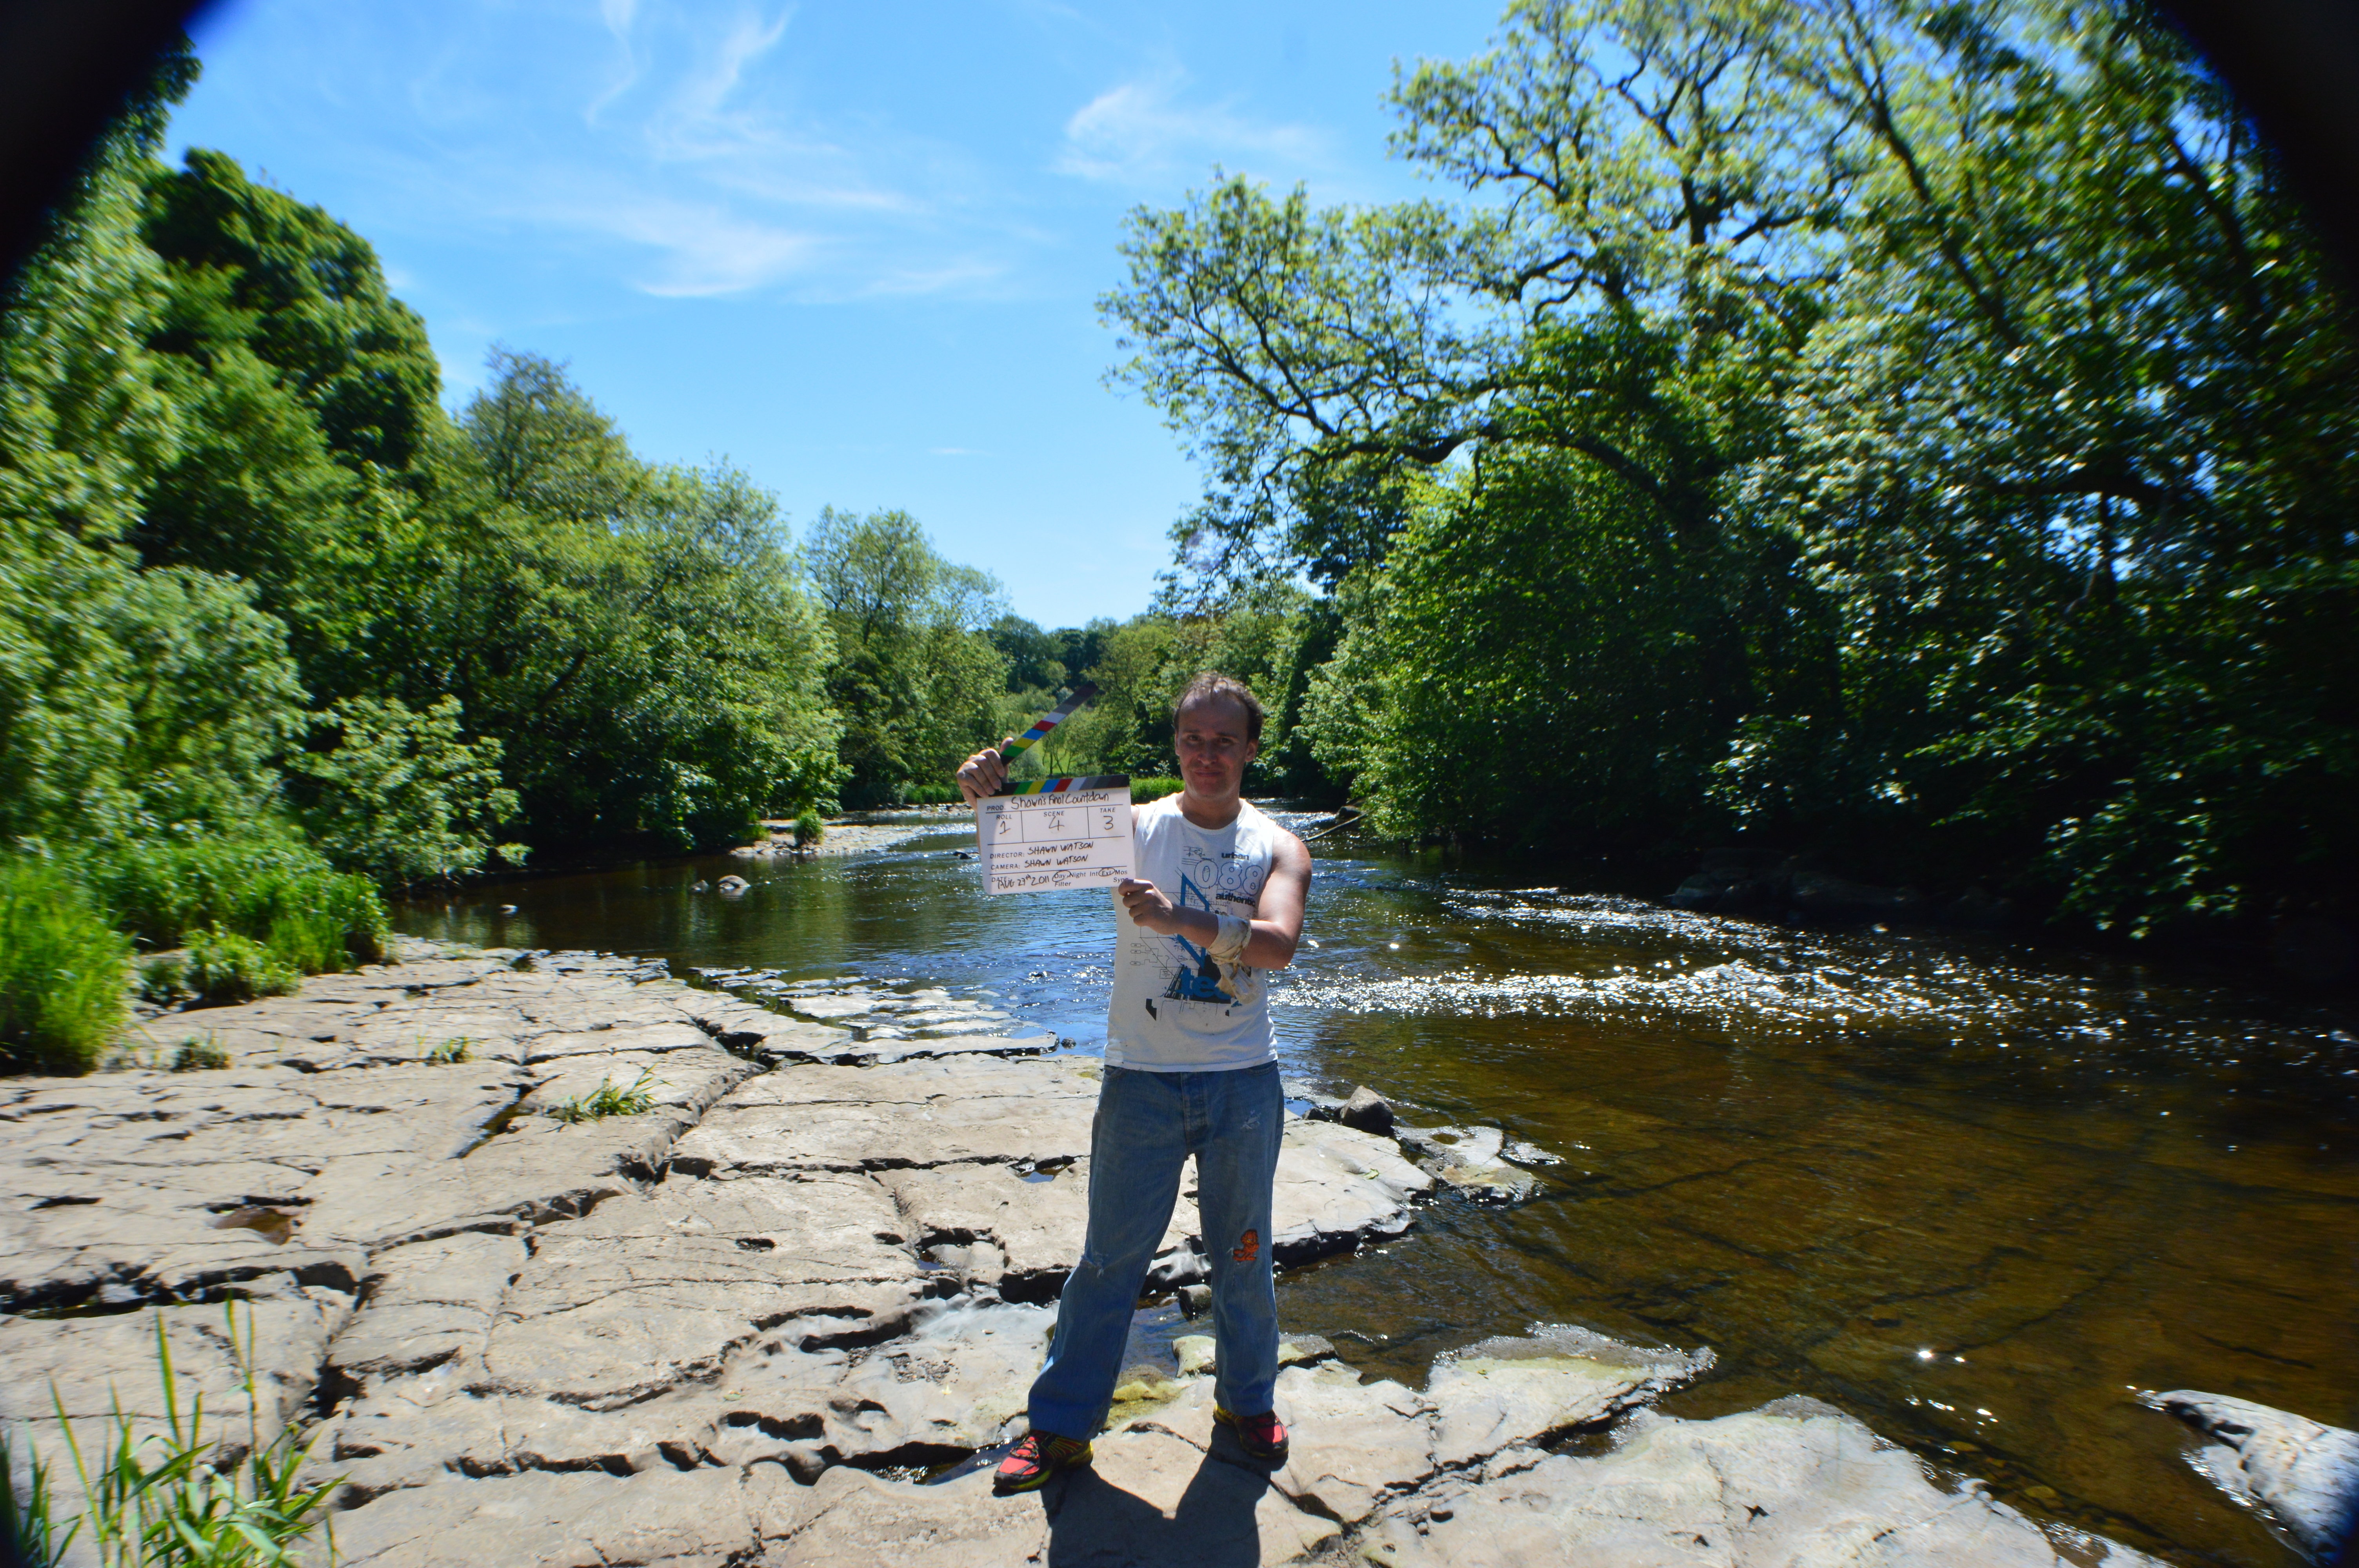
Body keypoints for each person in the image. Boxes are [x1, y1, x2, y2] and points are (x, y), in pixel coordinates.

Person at [954, 672, 1313, 1496]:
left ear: (1252, 747)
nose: (1206, 753)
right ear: (1175, 746)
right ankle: (1059, 1427)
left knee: (1244, 1257)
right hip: (1139, 1082)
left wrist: (1178, 919)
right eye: (1192, 738)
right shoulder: (1125, 827)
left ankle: (1246, 1406)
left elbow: (1275, 944)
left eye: (1225, 739)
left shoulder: (1280, 845)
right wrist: (982, 788)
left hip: (1241, 1085)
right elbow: (1012, 843)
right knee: (1107, 1261)